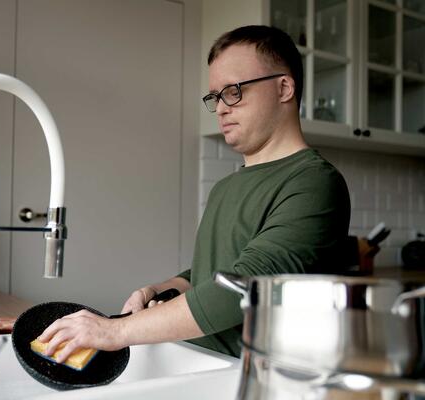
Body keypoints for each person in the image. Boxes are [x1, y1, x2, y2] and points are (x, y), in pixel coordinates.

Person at [37, 25, 350, 361]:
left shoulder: (314, 183)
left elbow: (243, 290)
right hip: (199, 361)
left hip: (254, 378)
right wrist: (160, 289)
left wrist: (113, 331)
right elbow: (211, 275)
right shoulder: (226, 187)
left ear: (284, 87)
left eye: (234, 91)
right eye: (215, 97)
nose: (221, 108)